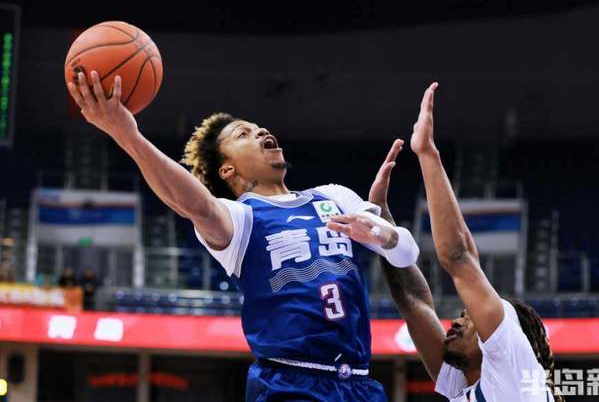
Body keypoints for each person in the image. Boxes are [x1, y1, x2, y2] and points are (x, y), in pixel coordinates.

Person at [67, 71, 420, 401]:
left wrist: (383, 234)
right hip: (290, 382)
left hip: (360, 383)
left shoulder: (333, 195)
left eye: (257, 128)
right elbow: (196, 205)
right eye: (243, 134)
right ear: (227, 169)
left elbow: (406, 253)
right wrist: (129, 136)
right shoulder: (241, 218)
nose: (260, 130)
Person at [370, 83, 563, 402]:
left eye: (471, 317)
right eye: (464, 315)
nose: (458, 321)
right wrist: (382, 222)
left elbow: (459, 256)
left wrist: (427, 154)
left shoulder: (512, 373)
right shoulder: (468, 385)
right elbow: (413, 301)